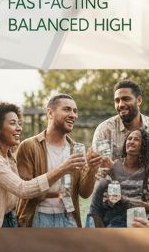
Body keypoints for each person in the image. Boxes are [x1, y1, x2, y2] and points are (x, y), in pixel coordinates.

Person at [0, 101, 86, 228]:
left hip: (11, 221)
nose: (19, 128)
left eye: (19, 123)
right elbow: (23, 189)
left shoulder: (8, 157)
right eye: (12, 123)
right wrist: (63, 168)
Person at [89, 78, 149, 225]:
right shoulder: (104, 129)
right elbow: (98, 170)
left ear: (139, 100)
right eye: (117, 100)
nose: (120, 104)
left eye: (125, 99)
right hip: (110, 205)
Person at [15, 93, 109, 227]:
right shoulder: (29, 146)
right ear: (50, 113)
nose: (73, 115)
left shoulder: (76, 149)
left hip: (69, 217)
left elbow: (84, 193)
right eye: (67, 109)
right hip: (38, 217)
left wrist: (92, 169)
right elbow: (26, 192)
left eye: (75, 111)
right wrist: (63, 168)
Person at [88, 128, 149, 227]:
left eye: (136, 139)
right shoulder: (114, 166)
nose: (131, 142)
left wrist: (142, 205)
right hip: (115, 221)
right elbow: (96, 205)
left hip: (138, 219)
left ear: (144, 145)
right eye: (129, 139)